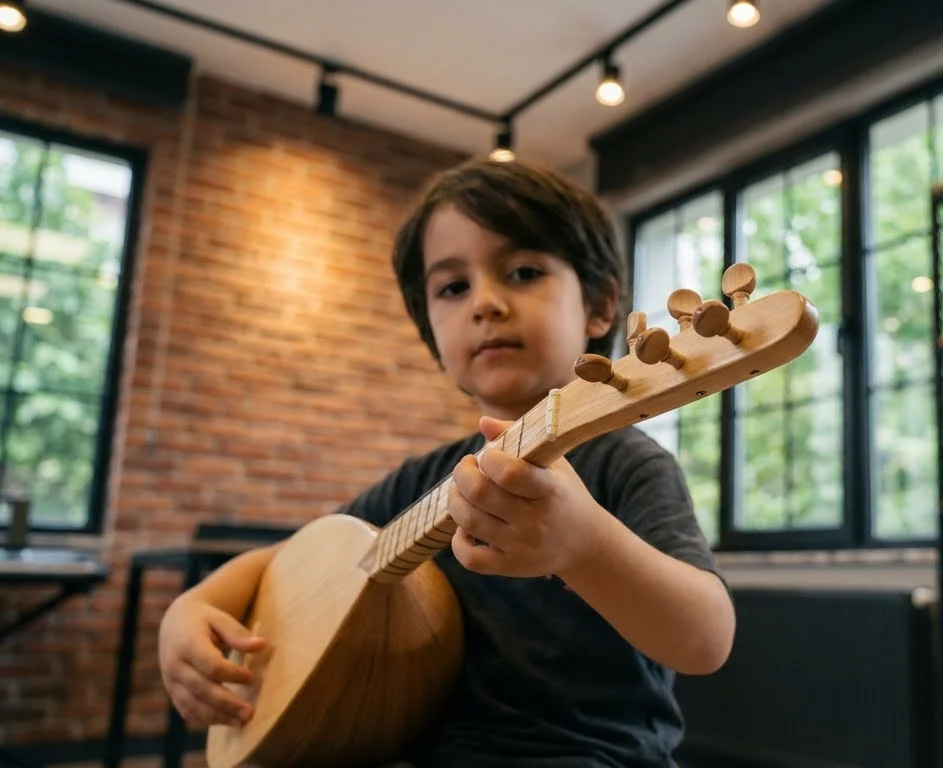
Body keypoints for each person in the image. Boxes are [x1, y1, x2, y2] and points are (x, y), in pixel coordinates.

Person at [156, 158, 736, 766]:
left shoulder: (625, 462)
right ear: (433, 335)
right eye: (453, 287)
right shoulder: (421, 480)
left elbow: (706, 639)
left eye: (523, 271)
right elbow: (288, 560)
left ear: (599, 307)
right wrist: (193, 608)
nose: (485, 302)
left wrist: (584, 546)